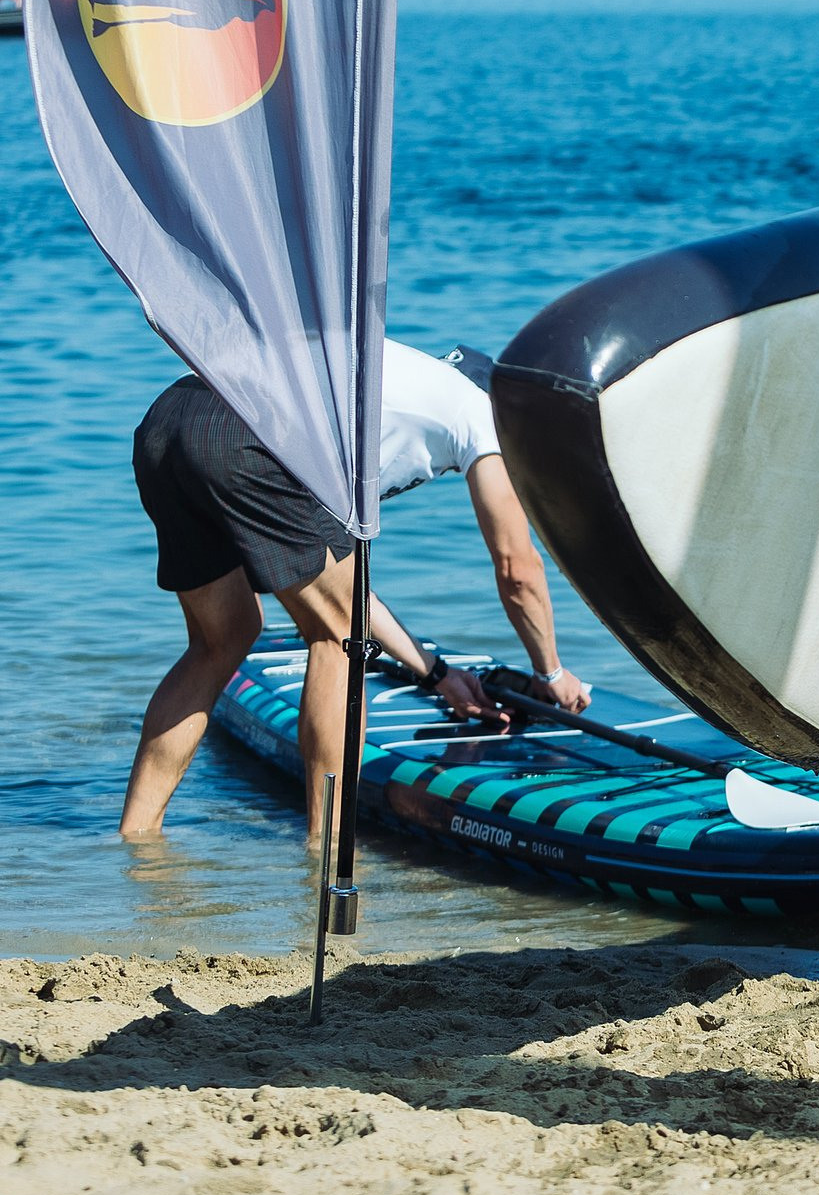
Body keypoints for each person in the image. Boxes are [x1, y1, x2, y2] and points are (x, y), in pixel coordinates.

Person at [122, 340, 588, 841]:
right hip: (246, 432)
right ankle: (326, 851)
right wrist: (550, 670)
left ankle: (136, 839)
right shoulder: (482, 413)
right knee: (338, 642)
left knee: (223, 639)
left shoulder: (380, 388)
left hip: (170, 417)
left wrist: (436, 675)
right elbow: (518, 569)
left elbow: (348, 591)